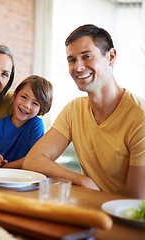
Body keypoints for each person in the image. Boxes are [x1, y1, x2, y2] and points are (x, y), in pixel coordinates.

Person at [22, 24, 145, 199]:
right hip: (91, 209)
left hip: (125, 220)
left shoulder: (140, 117)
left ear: (111, 57)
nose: (78, 67)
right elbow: (33, 160)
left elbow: (137, 202)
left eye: (87, 57)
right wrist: (81, 180)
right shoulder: (74, 110)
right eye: (71, 60)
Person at [0, 75, 53, 168]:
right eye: (24, 97)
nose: (26, 105)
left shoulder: (36, 125)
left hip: (25, 178)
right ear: (15, 96)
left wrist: (6, 167)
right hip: (1, 177)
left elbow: (34, 158)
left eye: (35, 103)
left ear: (41, 109)